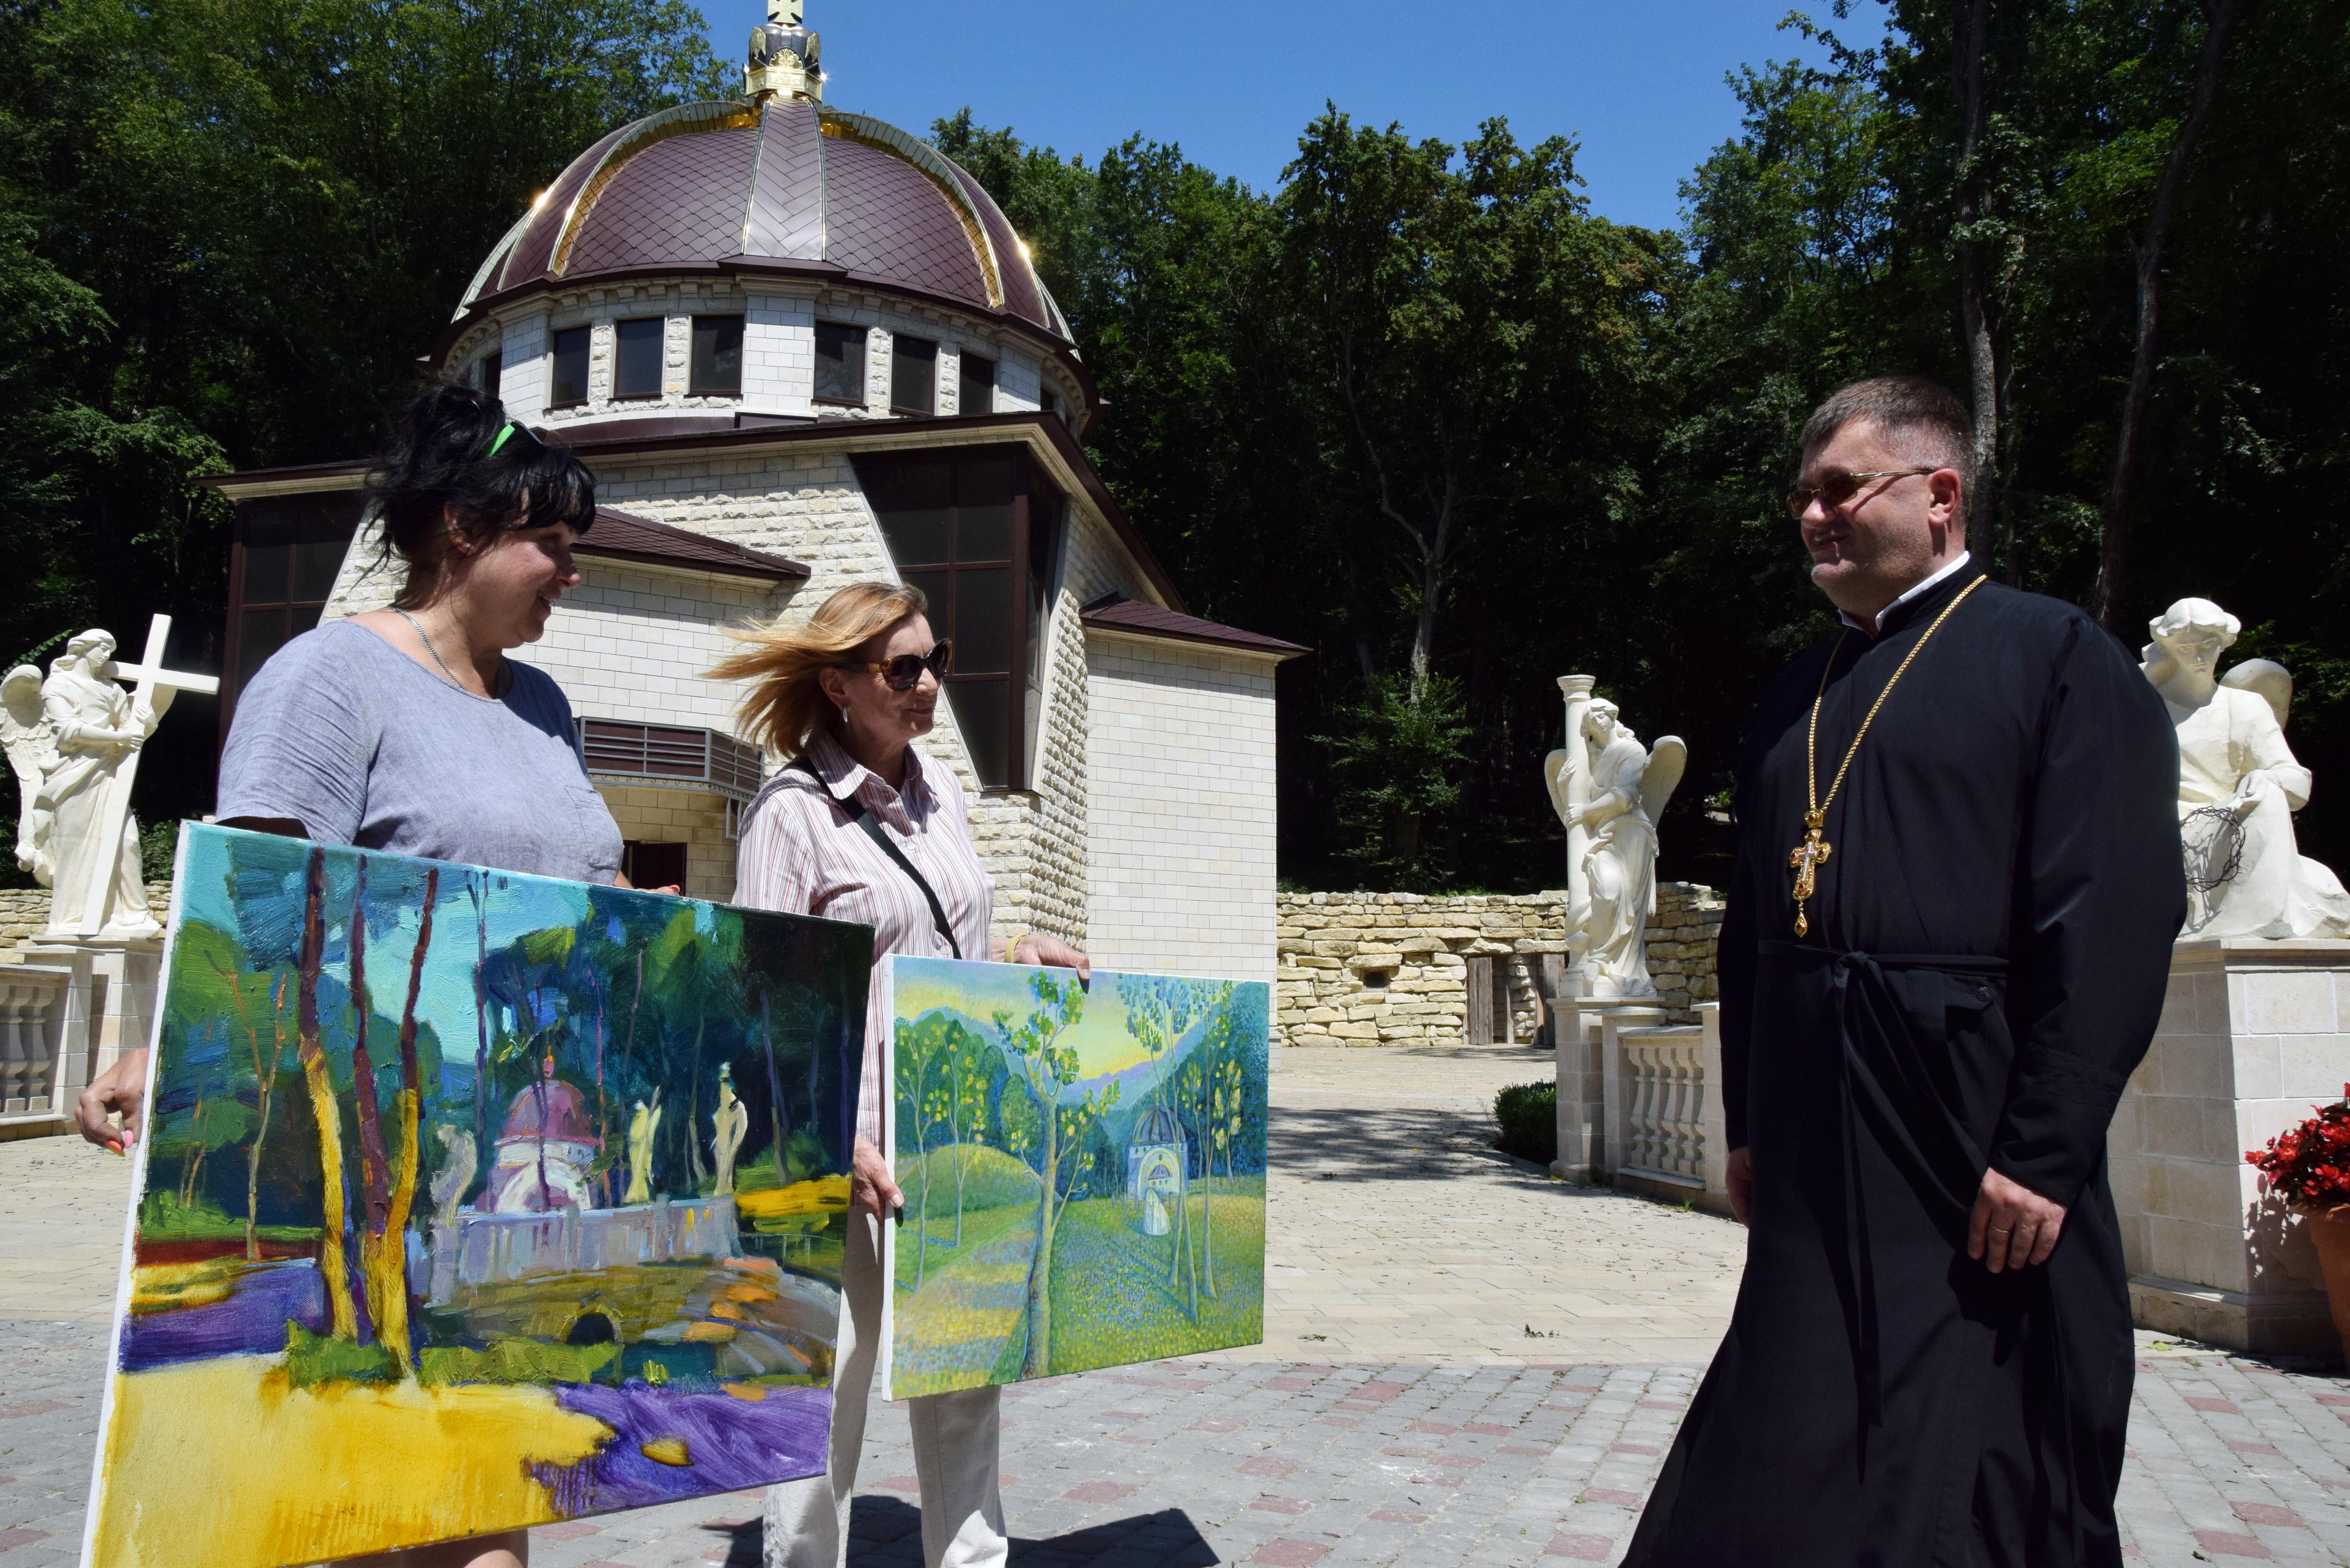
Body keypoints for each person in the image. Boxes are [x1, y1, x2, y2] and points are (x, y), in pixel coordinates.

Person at [1624, 376, 2183, 1567]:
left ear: (1939, 495)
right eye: (1803, 498)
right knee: (1783, 1446)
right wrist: (1748, 1125)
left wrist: (2041, 1151)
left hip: (1967, 1134)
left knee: (1978, 1454)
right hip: (1818, 1149)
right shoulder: (1796, 691)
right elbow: (1753, 933)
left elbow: (2113, 919)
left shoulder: (2057, 659)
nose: (1815, 517)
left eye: (1841, 489)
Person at [75, 381, 630, 1568]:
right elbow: (257, 900)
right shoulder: (329, 679)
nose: (570, 574)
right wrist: (176, 1043)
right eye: (552, 543)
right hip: (385, 1146)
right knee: (408, 1510)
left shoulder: (543, 707)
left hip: (526, 1159)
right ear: (464, 530)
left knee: (495, 1498)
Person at [714, 581, 1089, 1568]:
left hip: (953, 1135)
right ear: (838, 684)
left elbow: (932, 943)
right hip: (845, 1148)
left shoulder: (944, 794)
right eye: (903, 668)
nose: (929, 684)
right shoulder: (790, 816)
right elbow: (762, 1001)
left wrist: (1015, 953)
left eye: (937, 659)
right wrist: (831, 1140)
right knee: (823, 1394)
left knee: (967, 1377)